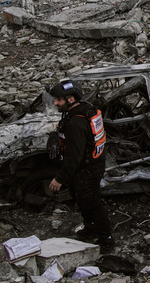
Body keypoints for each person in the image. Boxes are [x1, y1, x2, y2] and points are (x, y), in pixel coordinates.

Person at [47, 80, 114, 253]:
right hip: (93, 163)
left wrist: (59, 179)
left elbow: (73, 158)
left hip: (87, 169)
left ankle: (106, 240)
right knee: (82, 198)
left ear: (70, 99)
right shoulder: (86, 109)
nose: (55, 103)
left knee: (93, 203)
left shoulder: (76, 123)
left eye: (58, 100)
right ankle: (90, 229)